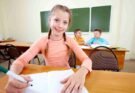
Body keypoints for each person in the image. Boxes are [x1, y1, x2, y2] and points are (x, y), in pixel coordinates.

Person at [5, 4, 92, 93]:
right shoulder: (42, 41)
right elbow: (20, 61)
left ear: (68, 25)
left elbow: (87, 60)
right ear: (50, 20)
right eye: (56, 20)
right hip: (48, 78)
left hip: (66, 76)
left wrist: (81, 72)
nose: (60, 25)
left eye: (65, 22)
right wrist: (12, 77)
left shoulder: (70, 41)